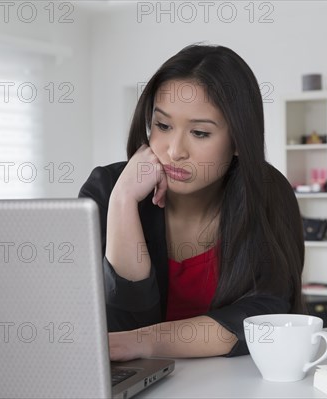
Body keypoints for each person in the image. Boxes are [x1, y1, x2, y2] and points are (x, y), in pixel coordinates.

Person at [79, 44, 305, 360]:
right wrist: (123, 202)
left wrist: (147, 342)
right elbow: (120, 325)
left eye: (199, 133)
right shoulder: (107, 190)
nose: (174, 151)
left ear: (238, 140)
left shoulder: (267, 194)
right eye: (162, 125)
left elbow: (263, 315)